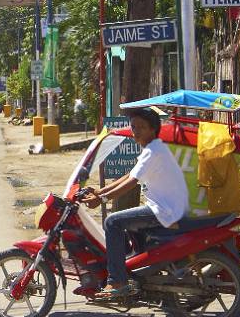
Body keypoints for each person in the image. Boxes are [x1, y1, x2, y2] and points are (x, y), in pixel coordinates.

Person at [80, 107, 188, 300]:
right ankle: (135, 274)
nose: (135, 131)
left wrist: (102, 200)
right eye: (133, 127)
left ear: (153, 129)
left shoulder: (154, 151)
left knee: (112, 222)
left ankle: (117, 281)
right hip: (164, 208)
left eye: (141, 127)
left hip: (164, 211)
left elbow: (131, 182)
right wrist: (99, 192)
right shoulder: (153, 149)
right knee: (126, 225)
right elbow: (130, 174)